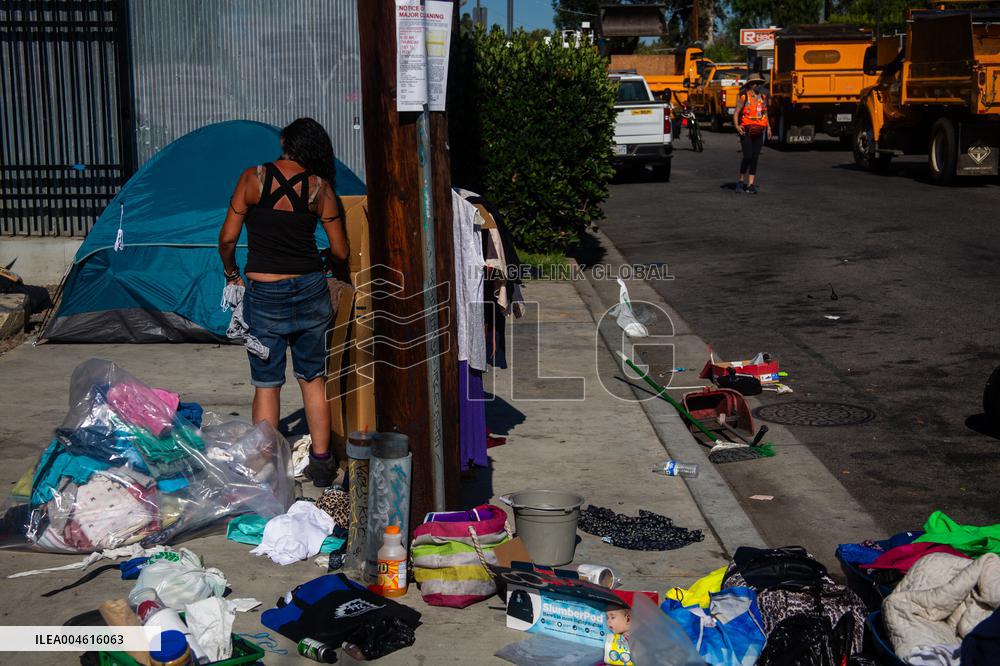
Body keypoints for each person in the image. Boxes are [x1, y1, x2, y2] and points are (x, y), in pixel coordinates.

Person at [218, 118, 349, 487]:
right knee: (313, 379)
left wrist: (232, 274)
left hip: (264, 294)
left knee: (267, 383)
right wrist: (323, 260)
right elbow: (340, 250)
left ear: (284, 143)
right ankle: (322, 464)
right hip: (310, 291)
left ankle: (265, 469)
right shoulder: (320, 188)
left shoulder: (253, 179)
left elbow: (227, 239)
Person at [733, 74, 770, 194]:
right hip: (746, 131)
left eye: (760, 83)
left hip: (759, 131)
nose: (759, 86)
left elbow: (765, 114)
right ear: (751, 84)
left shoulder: (763, 97)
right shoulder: (744, 97)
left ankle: (750, 185)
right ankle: (740, 181)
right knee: (747, 156)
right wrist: (737, 126)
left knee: (755, 157)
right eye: (756, 83)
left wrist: (768, 128)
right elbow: (736, 112)